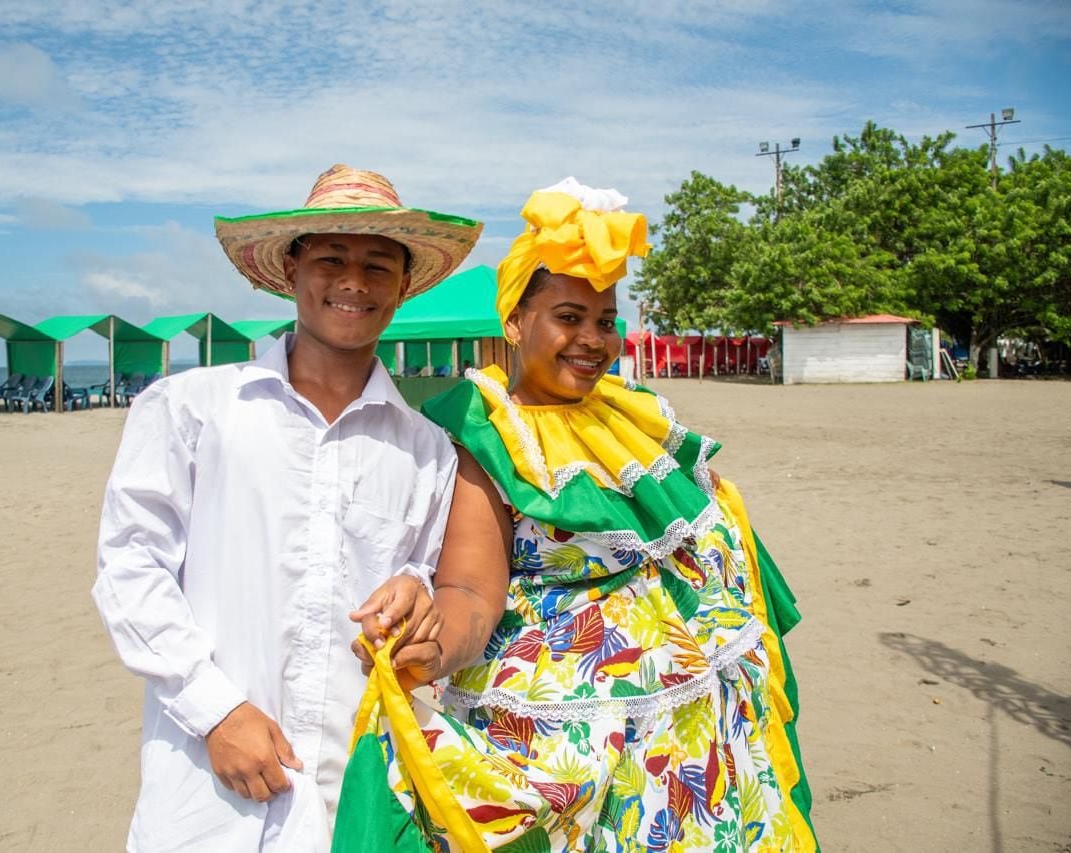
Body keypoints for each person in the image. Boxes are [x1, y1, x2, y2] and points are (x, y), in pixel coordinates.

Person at [342, 178, 816, 851]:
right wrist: (434, 644)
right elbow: (473, 588)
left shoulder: (634, 421)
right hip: (565, 742)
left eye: (604, 319)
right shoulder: (492, 434)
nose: (592, 339)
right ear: (514, 322)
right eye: (569, 316)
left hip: (688, 738)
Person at [92, 163, 485, 851]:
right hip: (207, 795)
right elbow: (130, 569)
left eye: (377, 265)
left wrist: (417, 600)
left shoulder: (428, 450)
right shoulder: (193, 410)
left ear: (402, 288)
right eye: (331, 256)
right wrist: (216, 713)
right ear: (293, 267)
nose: (353, 282)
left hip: (354, 800)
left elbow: (423, 577)